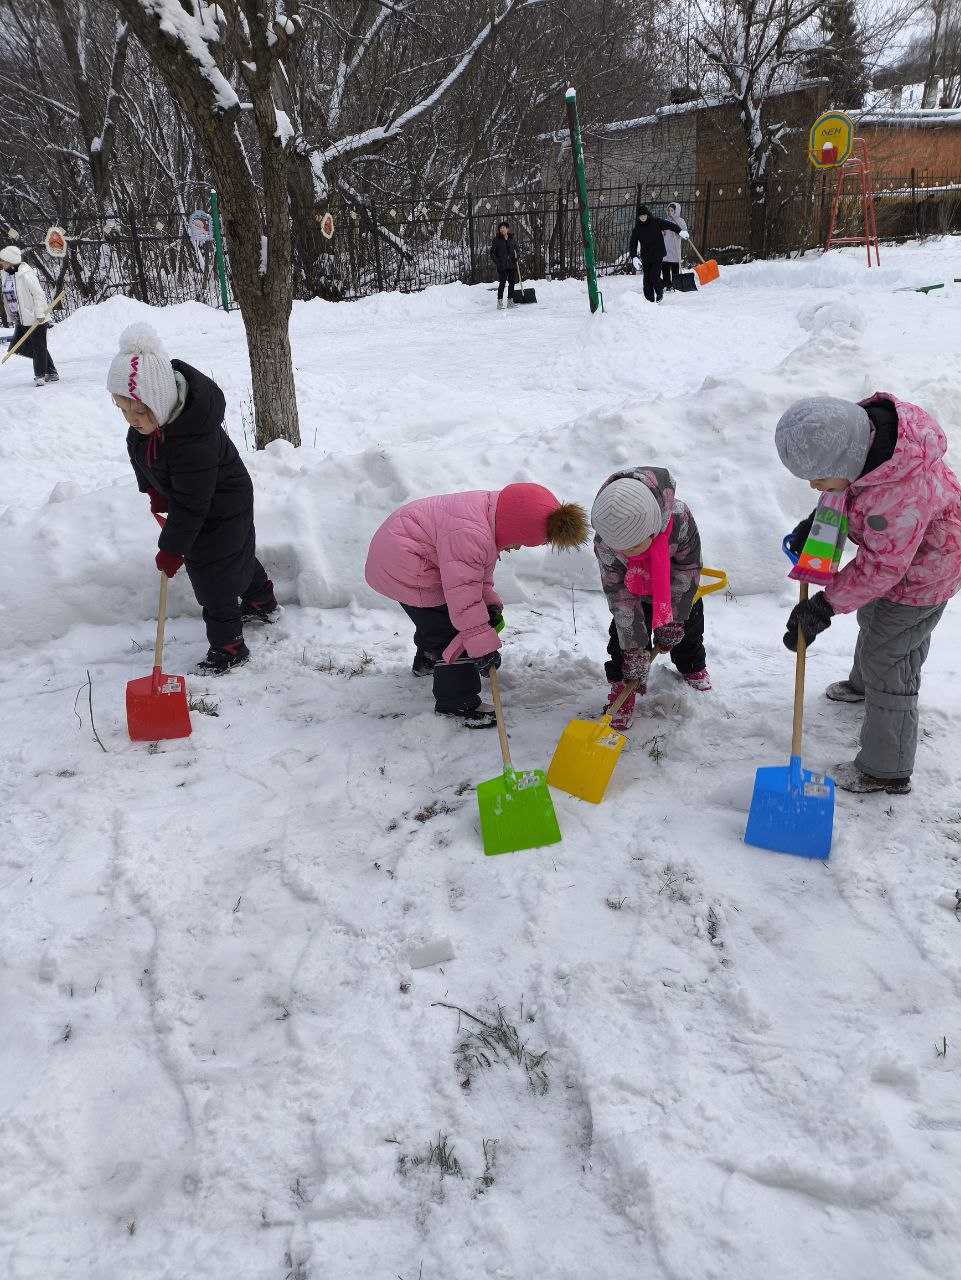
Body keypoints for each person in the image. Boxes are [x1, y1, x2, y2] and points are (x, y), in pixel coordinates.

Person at [776, 394, 961, 794]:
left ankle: (886, 768)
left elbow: (881, 568)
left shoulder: (900, 496)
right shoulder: (864, 445)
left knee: (889, 655)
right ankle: (864, 687)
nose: (813, 486)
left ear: (846, 462)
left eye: (818, 477)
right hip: (898, 557)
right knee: (872, 619)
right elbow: (841, 491)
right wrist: (817, 525)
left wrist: (823, 606)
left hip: (924, 575)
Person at [107, 324, 277, 675]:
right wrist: (153, 490)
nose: (132, 421)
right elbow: (139, 453)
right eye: (124, 411)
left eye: (139, 413)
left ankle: (229, 646)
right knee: (233, 558)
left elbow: (192, 505)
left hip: (223, 504)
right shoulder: (148, 427)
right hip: (201, 501)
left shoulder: (193, 441)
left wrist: (172, 547)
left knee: (213, 576)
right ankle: (261, 599)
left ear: (161, 400)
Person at [365, 485, 589, 726]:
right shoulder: (472, 534)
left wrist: (489, 604)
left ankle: (429, 658)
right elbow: (463, 598)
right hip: (404, 565)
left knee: (437, 619)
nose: (517, 548)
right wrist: (482, 646)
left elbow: (473, 577)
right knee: (453, 632)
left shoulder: (488, 513)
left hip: (402, 554)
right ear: (515, 527)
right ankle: (457, 703)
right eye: (521, 542)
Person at [591, 468, 709, 731]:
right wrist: (634, 649)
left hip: (675, 588)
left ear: (653, 528)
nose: (625, 552)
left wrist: (675, 618)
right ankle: (624, 685)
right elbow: (619, 595)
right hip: (632, 592)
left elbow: (688, 568)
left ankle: (692, 665)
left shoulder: (679, 520)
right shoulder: (607, 539)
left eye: (633, 546)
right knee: (621, 643)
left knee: (688, 632)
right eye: (620, 548)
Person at [0, 245, 58, 386]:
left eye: (2, 260)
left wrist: (39, 314)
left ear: (10, 261)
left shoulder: (26, 274)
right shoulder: (6, 274)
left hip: (35, 318)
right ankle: (51, 371)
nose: (0, 262)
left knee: (38, 347)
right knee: (20, 346)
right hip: (21, 318)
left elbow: (39, 295)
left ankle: (40, 375)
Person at [628, 205, 681, 304]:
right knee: (647, 279)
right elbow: (633, 243)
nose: (643, 218)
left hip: (658, 254)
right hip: (646, 256)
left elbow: (670, 225)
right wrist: (634, 256)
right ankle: (649, 300)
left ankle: (659, 292)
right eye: (640, 216)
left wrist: (680, 231)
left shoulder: (656, 222)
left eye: (644, 215)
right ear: (638, 217)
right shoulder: (637, 228)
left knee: (654, 275)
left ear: (647, 215)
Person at [660, 201, 690, 293]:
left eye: (672, 211)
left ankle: (675, 283)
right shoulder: (665, 221)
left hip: (675, 248)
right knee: (665, 267)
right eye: (668, 210)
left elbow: (684, 233)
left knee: (675, 267)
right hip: (665, 248)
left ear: (676, 211)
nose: (670, 212)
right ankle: (667, 283)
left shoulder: (681, 221)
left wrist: (679, 228)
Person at [490, 221, 519, 310]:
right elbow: (492, 253)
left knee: (512, 282)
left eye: (503, 227)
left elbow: (516, 249)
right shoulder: (496, 240)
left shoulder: (512, 238)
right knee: (502, 283)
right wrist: (498, 262)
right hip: (502, 265)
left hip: (511, 265)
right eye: (500, 228)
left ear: (507, 229)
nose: (502, 229)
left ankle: (510, 301)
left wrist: (516, 257)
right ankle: (499, 302)